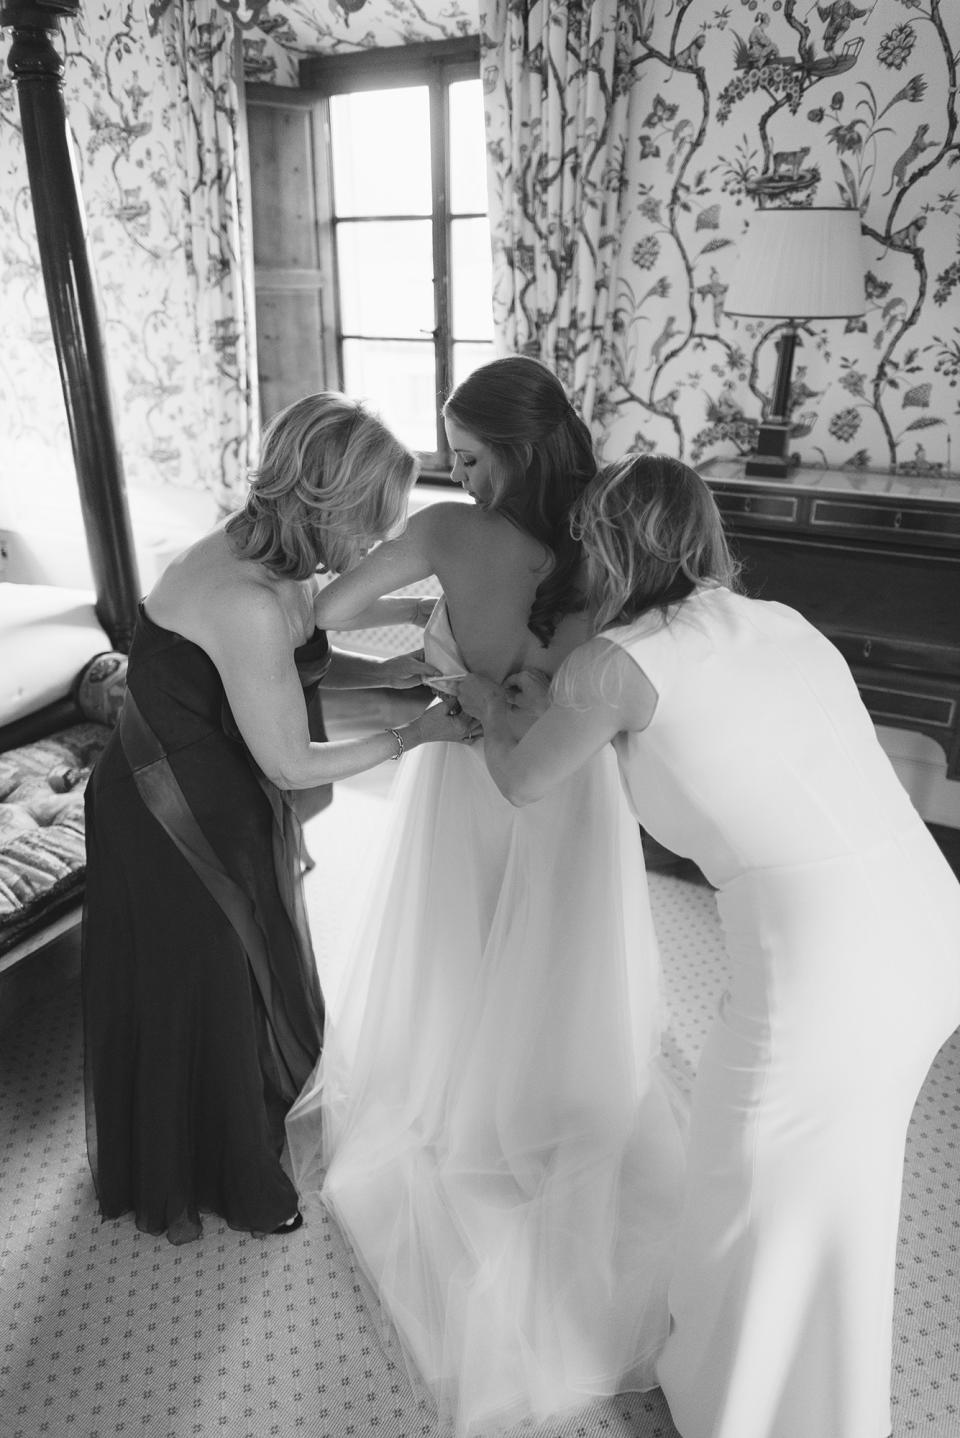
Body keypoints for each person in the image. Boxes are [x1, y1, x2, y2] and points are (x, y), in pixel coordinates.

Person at [458, 453, 960, 1438]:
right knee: (841, 1184)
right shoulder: (780, 621)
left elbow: (521, 778)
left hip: (825, 970)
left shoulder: (617, 663)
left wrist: (478, 705)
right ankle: (819, 1403)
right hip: (932, 925)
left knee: (750, 1184)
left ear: (606, 544)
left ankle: (746, 1410)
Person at [284, 358, 687, 1435]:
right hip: (569, 781)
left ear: (516, 447)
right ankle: (548, 1099)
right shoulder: (607, 532)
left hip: (465, 770)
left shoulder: (447, 530)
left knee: (457, 941)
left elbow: (324, 613)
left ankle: (468, 1101)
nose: (454, 470)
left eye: (467, 456)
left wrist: (435, 614)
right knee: (560, 950)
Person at [81, 391, 470, 1246]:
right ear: (324, 504)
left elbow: (291, 673)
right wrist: (419, 731)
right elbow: (290, 760)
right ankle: (235, 1176)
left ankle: (249, 1114)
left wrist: (407, 666)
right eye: (370, 523)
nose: (374, 544)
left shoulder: (278, 561)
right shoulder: (246, 598)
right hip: (169, 811)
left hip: (219, 786)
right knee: (212, 984)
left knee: (255, 968)